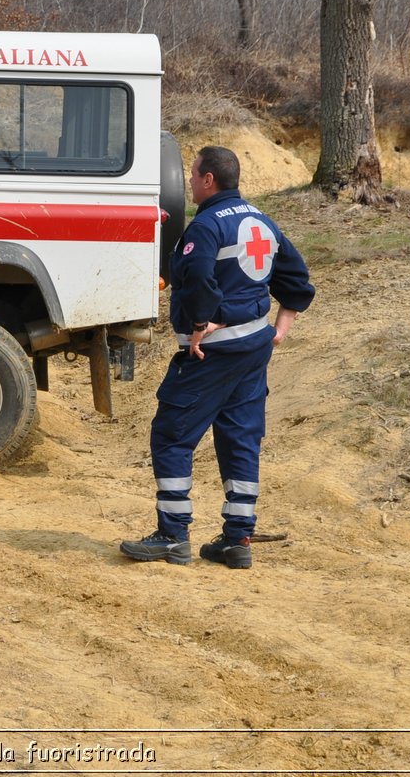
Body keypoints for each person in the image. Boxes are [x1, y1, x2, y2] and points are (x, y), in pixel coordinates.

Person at [120, 145, 315, 570]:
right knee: (240, 438)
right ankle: (237, 538)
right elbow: (297, 282)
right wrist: (279, 330)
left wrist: (200, 324)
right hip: (253, 349)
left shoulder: (206, 226)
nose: (189, 182)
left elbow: (198, 281)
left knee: (172, 433)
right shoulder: (262, 220)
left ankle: (173, 534)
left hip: (214, 351)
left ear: (209, 179)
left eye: (193, 175)